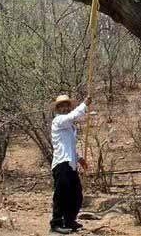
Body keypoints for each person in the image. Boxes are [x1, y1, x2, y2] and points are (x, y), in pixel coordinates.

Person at [50, 94, 88, 233]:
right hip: (61, 164)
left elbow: (69, 146)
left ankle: (69, 220)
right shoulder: (58, 121)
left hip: (70, 164)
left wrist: (79, 158)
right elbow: (71, 116)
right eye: (62, 106)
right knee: (61, 194)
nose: (65, 108)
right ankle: (56, 223)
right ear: (58, 108)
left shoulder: (70, 127)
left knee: (76, 194)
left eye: (67, 105)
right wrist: (84, 105)